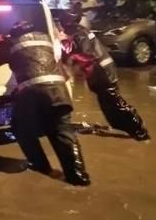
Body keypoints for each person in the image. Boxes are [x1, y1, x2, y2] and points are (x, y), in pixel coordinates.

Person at [0, 21, 91, 186]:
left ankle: (41, 166)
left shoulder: (10, 43)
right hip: (59, 91)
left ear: (14, 33)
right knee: (63, 131)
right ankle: (78, 177)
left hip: (33, 93)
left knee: (21, 129)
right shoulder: (45, 38)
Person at [56, 10, 150, 141]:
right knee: (107, 104)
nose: (59, 27)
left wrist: (69, 54)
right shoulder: (79, 31)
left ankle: (140, 131)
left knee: (115, 103)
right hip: (102, 71)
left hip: (102, 72)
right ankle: (125, 129)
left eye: (60, 24)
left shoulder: (79, 34)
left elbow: (85, 54)